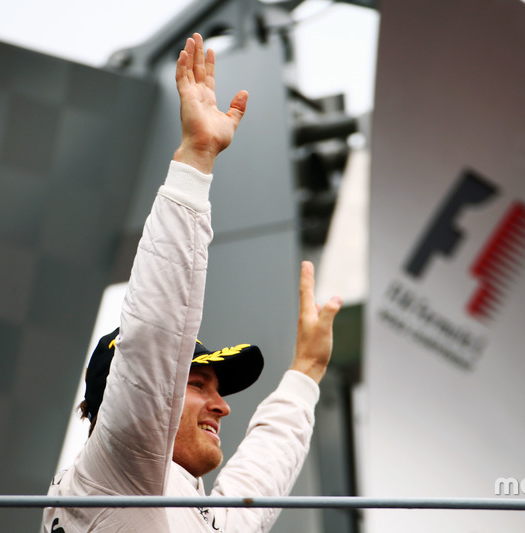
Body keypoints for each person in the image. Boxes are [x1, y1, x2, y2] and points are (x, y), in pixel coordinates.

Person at [42, 33, 342, 532]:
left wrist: (305, 371)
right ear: (125, 399)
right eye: (199, 384)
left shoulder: (193, 513)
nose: (224, 406)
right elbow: (155, 337)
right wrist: (195, 161)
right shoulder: (116, 470)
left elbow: (259, 477)